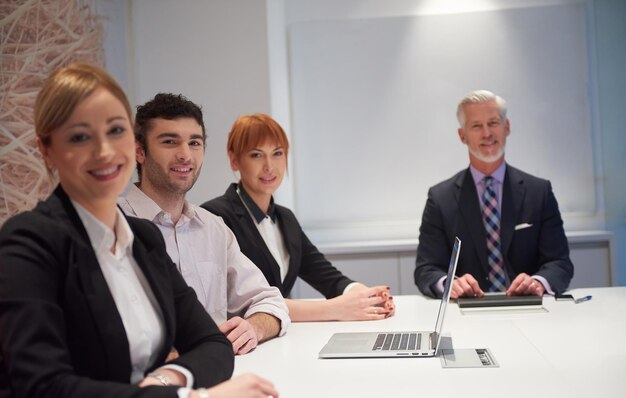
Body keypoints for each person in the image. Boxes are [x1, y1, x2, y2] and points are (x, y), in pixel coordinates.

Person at [0, 63, 278, 398]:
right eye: (80, 136)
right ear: (46, 149)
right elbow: (43, 387)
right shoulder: (28, 244)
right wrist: (193, 397)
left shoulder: (143, 239)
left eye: (115, 131)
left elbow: (212, 345)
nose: (104, 151)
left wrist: (165, 380)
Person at [118, 94, 290, 356]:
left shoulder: (213, 228)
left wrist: (253, 328)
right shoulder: (113, 225)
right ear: (139, 151)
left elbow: (269, 300)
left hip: (221, 374)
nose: (185, 155)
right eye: (169, 142)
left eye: (194, 143)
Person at [201, 114, 395, 322]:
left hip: (281, 339)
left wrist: (366, 296)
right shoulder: (215, 217)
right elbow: (237, 301)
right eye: (256, 155)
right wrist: (336, 309)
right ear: (234, 160)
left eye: (277, 153)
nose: (269, 166)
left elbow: (327, 277)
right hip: (243, 346)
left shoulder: (285, 218)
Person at [414, 90, 574, 299]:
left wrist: (537, 282)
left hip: (529, 309)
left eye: (493, 123)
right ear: (462, 136)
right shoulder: (440, 198)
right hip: (466, 312)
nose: (487, 133)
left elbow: (560, 263)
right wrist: (449, 284)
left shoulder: (539, 192)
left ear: (506, 128)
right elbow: (426, 269)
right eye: (476, 126)